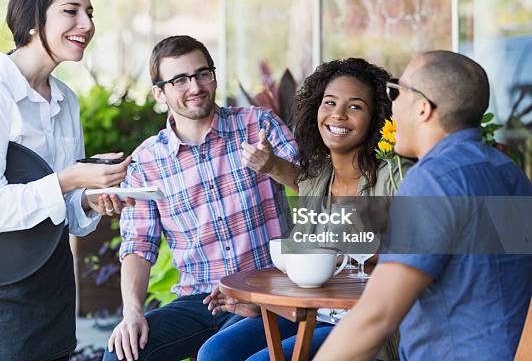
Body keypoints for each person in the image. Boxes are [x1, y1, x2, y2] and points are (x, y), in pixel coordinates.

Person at [0, 0, 130, 361]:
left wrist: (92, 197)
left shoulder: (66, 100)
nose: (87, 24)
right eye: (71, 11)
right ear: (32, 20)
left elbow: (67, 215)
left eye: (90, 12)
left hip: (53, 290)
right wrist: (68, 179)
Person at [314, 50, 532, 360]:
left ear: (422, 109)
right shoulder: (507, 172)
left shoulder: (433, 181)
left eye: (397, 93)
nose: (391, 106)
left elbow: (376, 317)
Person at [102, 35, 299, 361]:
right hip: (199, 300)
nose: (195, 86)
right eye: (179, 80)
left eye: (202, 73)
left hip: (267, 291)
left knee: (217, 354)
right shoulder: (147, 162)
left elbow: (314, 190)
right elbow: (138, 244)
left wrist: (274, 166)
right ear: (159, 93)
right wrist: (132, 312)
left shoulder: (257, 125)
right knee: (122, 354)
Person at [200, 58, 409, 360]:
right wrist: (259, 303)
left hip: (365, 319)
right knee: (216, 351)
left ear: (376, 117)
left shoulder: (394, 177)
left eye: (355, 107)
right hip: (312, 310)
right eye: (330, 102)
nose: (337, 114)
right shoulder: (318, 178)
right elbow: (308, 268)